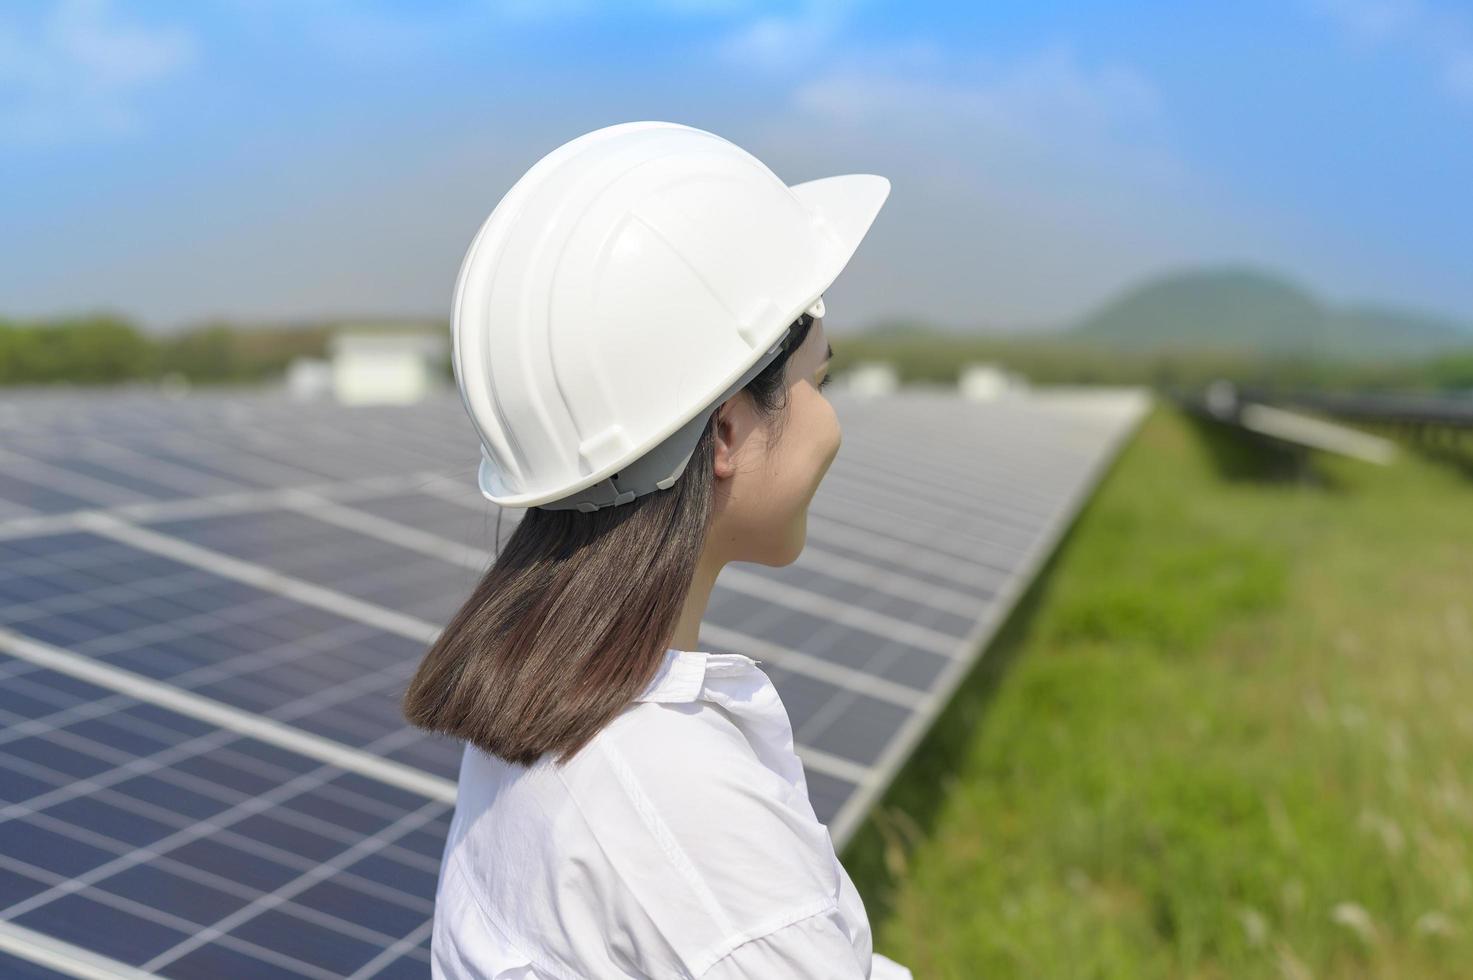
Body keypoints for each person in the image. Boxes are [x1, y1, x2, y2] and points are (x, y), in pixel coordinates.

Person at [404, 120, 914, 979]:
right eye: (818, 383)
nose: (831, 424)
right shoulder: (679, 816)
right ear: (725, 430)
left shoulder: (537, 708)